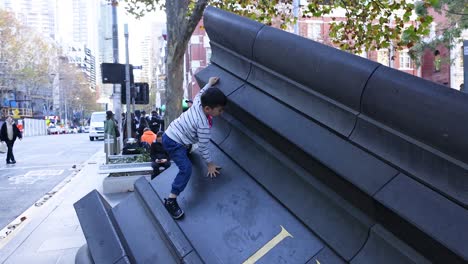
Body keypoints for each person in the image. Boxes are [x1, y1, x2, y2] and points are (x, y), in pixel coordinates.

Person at [162, 76, 226, 219]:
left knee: (189, 149)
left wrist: (209, 83)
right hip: (174, 142)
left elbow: (201, 92)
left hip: (175, 133)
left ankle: (187, 148)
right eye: (220, 110)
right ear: (208, 109)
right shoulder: (202, 125)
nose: (221, 113)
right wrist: (209, 164)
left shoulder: (198, 102)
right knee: (186, 169)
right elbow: (203, 147)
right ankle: (171, 200)